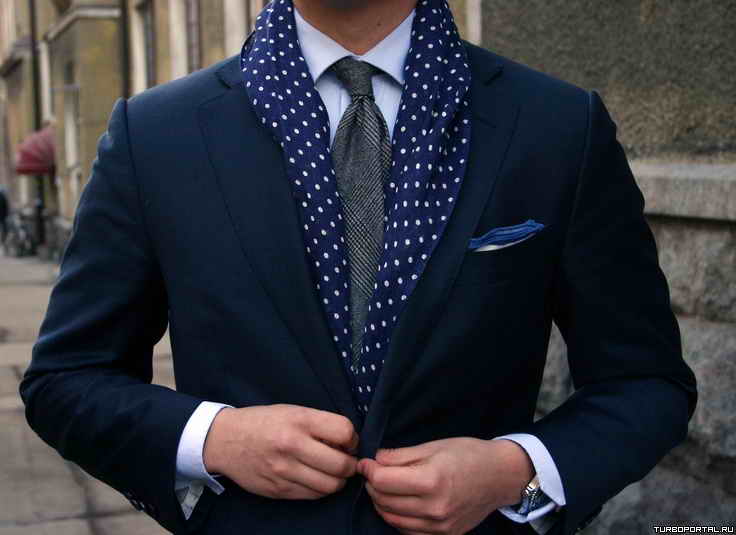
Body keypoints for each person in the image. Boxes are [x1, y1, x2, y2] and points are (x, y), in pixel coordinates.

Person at [20, 1, 697, 534]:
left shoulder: (557, 126)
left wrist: (514, 470)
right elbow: (66, 379)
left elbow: (646, 382)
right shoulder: (155, 136)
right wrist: (214, 438)